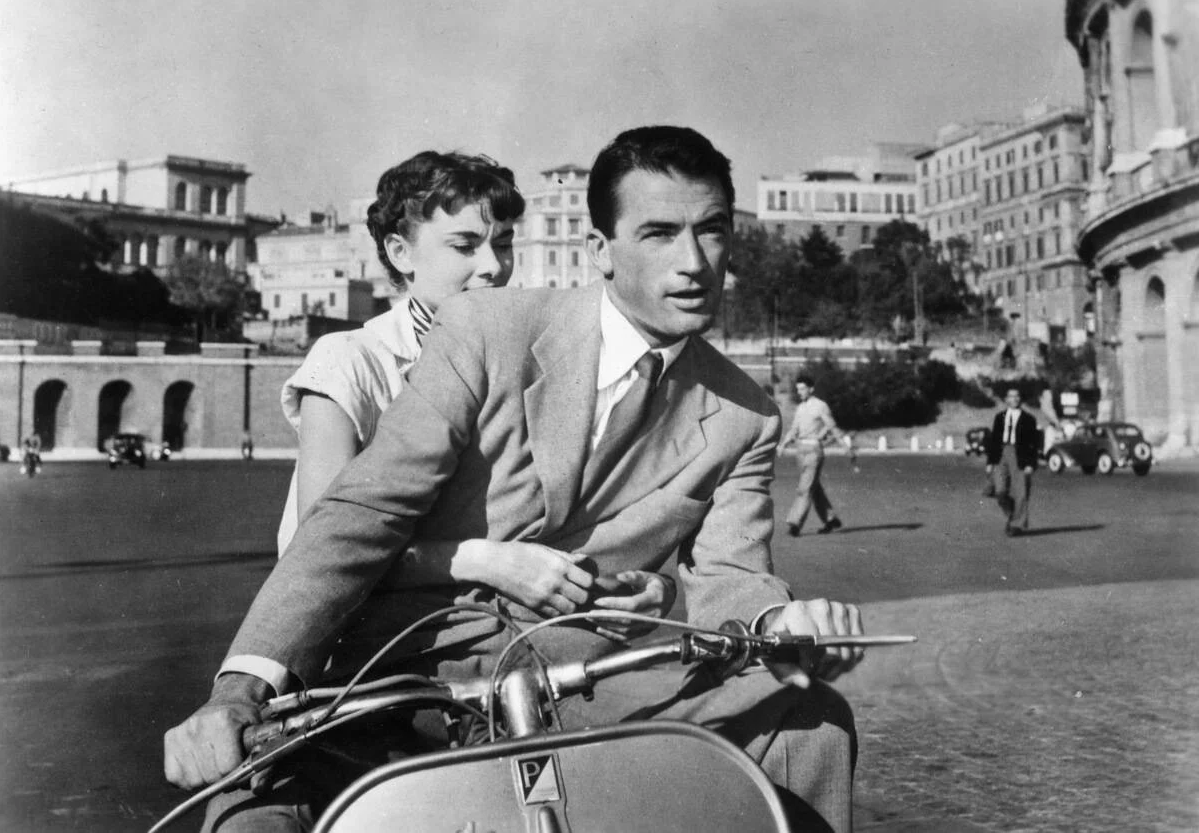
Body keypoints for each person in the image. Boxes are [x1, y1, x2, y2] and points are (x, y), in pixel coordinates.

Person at [164, 126, 865, 832]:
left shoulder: (745, 413)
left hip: (599, 684)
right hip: (415, 672)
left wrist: (781, 621)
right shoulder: (485, 328)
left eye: (711, 231)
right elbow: (358, 514)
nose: (692, 262)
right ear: (601, 252)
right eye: (658, 233)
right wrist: (241, 686)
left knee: (810, 724)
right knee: (250, 806)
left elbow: (733, 577)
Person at [274, 150, 674, 624]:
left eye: (502, 245)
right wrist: (490, 562)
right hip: (360, 649)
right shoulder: (349, 359)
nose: (493, 267)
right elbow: (320, 552)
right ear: (400, 253)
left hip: (493, 646)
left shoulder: (531, 358)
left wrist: (644, 584)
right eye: (464, 246)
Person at [777, 376, 854, 536]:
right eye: (798, 389)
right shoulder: (800, 408)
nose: (800, 392)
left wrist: (846, 447)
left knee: (804, 488)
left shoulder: (820, 406)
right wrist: (783, 444)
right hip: (800, 450)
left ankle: (795, 523)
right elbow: (794, 429)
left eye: (803, 389)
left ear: (811, 389)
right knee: (813, 486)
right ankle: (830, 519)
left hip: (814, 450)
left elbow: (832, 426)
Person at [985, 387, 1038, 536]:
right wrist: (990, 462)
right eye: (1011, 396)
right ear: (1006, 399)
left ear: (1020, 399)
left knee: (1021, 490)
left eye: (1017, 396)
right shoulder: (999, 417)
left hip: (1020, 455)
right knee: (1000, 491)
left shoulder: (1029, 419)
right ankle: (1011, 513)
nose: (1014, 399)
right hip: (1001, 454)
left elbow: (1033, 444)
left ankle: (1016, 524)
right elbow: (994, 441)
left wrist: (1030, 464)